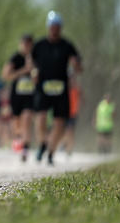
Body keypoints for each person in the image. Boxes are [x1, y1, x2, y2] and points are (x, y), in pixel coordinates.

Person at [32, 11, 83, 166]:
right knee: (41, 118)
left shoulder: (67, 46)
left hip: (61, 89)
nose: (55, 29)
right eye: (52, 26)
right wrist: (33, 71)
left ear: (60, 28)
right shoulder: (39, 45)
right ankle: (43, 143)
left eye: (57, 27)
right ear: (48, 27)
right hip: (43, 88)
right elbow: (30, 61)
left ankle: (51, 152)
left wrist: (75, 65)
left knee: (60, 123)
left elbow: (80, 67)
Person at [2, 33, 37, 162]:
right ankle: (18, 138)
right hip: (17, 95)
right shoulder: (15, 58)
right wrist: (24, 70)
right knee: (17, 122)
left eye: (29, 44)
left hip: (30, 95)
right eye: (25, 44)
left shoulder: (36, 58)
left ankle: (25, 148)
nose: (27, 47)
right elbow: (6, 75)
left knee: (27, 119)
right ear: (20, 44)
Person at [63, 74, 83, 157]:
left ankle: (69, 148)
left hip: (73, 113)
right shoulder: (65, 89)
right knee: (64, 131)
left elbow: (82, 99)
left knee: (71, 131)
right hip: (64, 113)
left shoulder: (76, 89)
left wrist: (80, 93)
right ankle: (65, 144)